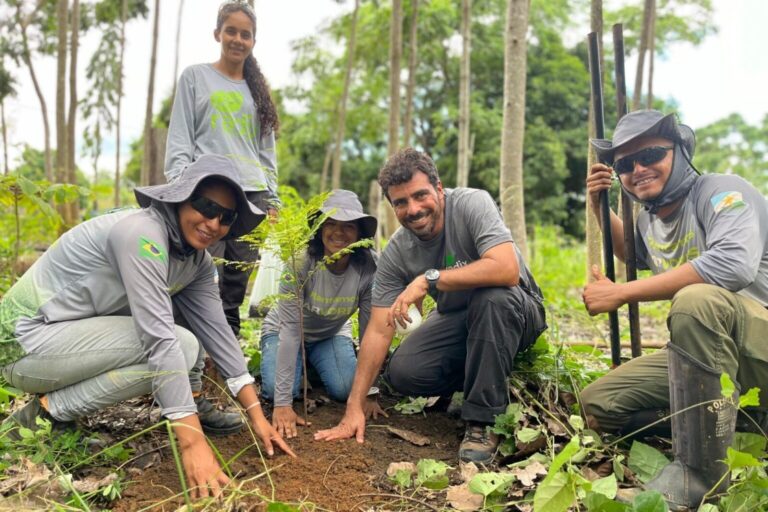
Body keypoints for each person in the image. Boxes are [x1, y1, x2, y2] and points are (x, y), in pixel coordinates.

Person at [0, 155, 295, 499]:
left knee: (189, 344)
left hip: (64, 341)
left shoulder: (195, 262)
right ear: (180, 198)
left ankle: (50, 413)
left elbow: (220, 337)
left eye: (225, 216)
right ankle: (42, 417)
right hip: (21, 342)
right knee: (178, 345)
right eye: (204, 205)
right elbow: (158, 340)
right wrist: (192, 444)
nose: (212, 222)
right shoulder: (142, 233)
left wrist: (256, 414)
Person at [580, 110, 768, 509]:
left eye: (650, 154)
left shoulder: (721, 192)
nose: (639, 169)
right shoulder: (650, 219)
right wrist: (599, 206)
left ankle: (701, 476)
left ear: (680, 151)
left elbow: (732, 265)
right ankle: (740, 427)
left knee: (697, 300)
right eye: (625, 164)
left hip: (757, 346)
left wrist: (622, 293)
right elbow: (633, 254)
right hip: (713, 355)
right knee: (598, 404)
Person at [315, 148, 547, 464]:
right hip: (458, 318)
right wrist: (355, 405)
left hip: (516, 309)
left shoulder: (471, 203)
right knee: (404, 372)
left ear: (439, 188)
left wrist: (429, 279)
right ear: (391, 206)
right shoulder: (398, 251)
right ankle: (483, 372)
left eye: (420, 195)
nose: (413, 209)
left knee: (491, 298)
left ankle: (484, 420)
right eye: (401, 202)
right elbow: (379, 330)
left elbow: (507, 270)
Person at [164, 1, 281, 435]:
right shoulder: (196, 76)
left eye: (245, 34)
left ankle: (224, 382)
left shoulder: (258, 92)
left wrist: (271, 197)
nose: (237, 40)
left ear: (253, 42)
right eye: (230, 31)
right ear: (218, 33)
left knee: (233, 287)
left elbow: (266, 151)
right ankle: (186, 384)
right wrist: (179, 190)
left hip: (248, 200)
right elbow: (180, 137)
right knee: (196, 283)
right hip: (207, 192)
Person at [260, 190, 379, 439]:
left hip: (330, 334)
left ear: (359, 232)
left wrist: (370, 392)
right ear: (320, 228)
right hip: (284, 331)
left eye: (348, 226)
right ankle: (298, 368)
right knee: (274, 389)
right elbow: (291, 331)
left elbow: (371, 331)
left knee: (347, 388)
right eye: (331, 224)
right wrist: (282, 404)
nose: (338, 232)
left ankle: (312, 365)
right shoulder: (301, 262)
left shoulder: (368, 268)